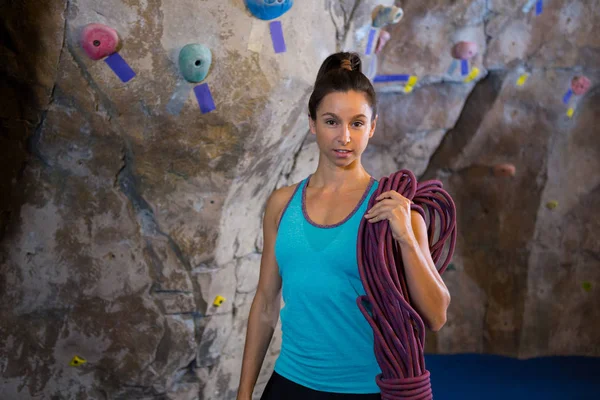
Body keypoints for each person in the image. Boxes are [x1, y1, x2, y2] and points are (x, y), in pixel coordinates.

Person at [236, 52, 451, 400]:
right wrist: (244, 392)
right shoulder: (281, 204)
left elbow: (437, 315)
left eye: (357, 123)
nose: (345, 138)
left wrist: (408, 240)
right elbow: (265, 302)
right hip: (290, 383)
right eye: (332, 121)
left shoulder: (392, 209)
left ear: (373, 126)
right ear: (312, 123)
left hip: (368, 389)